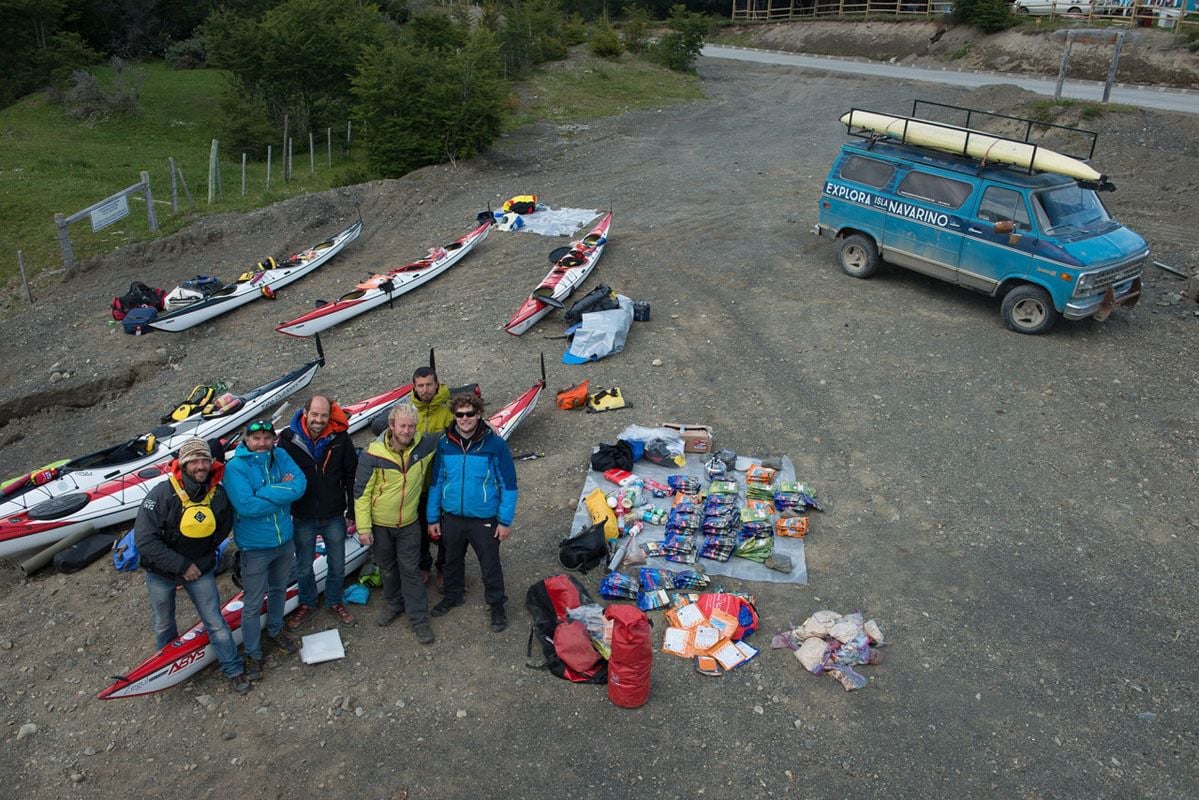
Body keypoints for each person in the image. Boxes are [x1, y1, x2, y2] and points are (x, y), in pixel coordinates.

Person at [134, 437, 251, 694]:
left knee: (215, 621)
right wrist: (182, 565)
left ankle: (234, 669)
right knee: (164, 623)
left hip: (200, 569)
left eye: (204, 461)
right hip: (161, 572)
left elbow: (222, 529)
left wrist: (200, 559)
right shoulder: (161, 495)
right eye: (194, 461)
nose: (200, 466)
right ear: (183, 464)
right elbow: (144, 540)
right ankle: (168, 667)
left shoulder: (218, 495)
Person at [223, 419, 307, 681]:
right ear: (246, 440)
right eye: (256, 438)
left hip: (284, 540)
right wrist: (282, 492)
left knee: (279, 590)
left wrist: (263, 492)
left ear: (273, 440)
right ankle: (253, 651)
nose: (262, 443)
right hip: (255, 547)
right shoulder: (235, 468)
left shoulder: (279, 455)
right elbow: (246, 506)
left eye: (266, 438)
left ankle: (274, 630)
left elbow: (300, 486)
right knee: (252, 602)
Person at [427, 392, 518, 633]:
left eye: (470, 414)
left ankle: (497, 604)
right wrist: (432, 517)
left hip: (484, 518)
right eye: (460, 414)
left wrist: (505, 521)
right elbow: (436, 482)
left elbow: (509, 485)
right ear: (454, 416)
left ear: (479, 415)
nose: (465, 418)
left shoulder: (495, 445)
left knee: (490, 564)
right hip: (452, 517)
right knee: (451, 560)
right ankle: (453, 595)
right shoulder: (444, 443)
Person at [353, 404, 438, 644]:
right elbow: (361, 494)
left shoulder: (424, 446)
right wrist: (364, 528)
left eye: (411, 426)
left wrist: (488, 426)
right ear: (391, 426)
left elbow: (452, 432)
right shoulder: (373, 454)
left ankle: (419, 619)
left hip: (409, 524)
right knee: (388, 568)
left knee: (410, 570)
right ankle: (394, 603)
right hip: (380, 526)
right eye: (402, 426)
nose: (407, 431)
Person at [277, 395, 359, 631]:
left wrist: (352, 510)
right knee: (303, 565)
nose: (319, 420)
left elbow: (350, 474)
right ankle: (307, 603)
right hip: (302, 514)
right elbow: (279, 475)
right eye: (315, 415)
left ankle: (334, 601)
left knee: (337, 564)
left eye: (324, 415)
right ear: (305, 413)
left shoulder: (340, 438)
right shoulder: (288, 439)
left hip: (333, 513)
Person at [410, 365, 454, 589]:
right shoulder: (409, 412)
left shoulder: (449, 411)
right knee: (418, 530)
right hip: (417, 485)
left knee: (445, 530)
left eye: (429, 384)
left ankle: (444, 569)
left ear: (437, 384)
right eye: (421, 386)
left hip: (442, 483)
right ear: (414, 388)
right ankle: (423, 565)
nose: (425, 389)